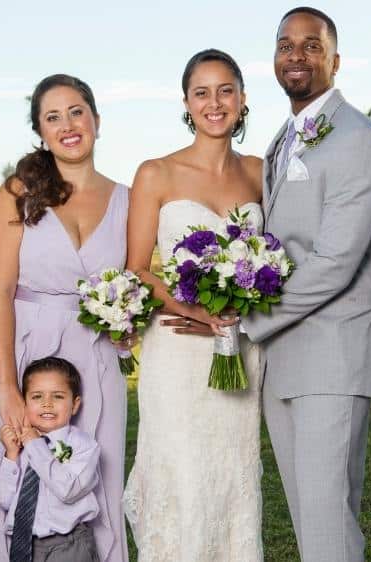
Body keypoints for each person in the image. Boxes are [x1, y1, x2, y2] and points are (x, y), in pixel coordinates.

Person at [240, 7, 371, 561]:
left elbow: (335, 262)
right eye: (286, 45)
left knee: (329, 520)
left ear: (335, 59)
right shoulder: (285, 135)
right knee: (309, 518)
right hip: (286, 359)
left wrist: (247, 319)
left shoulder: (357, 138)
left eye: (311, 45)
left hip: (332, 354)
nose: (296, 56)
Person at [0, 74, 130, 562]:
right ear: (41, 131)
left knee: (96, 482)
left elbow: (138, 280)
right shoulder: (20, 191)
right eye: (53, 117)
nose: (68, 125)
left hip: (95, 355)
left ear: (97, 120)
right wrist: (5, 385)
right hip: (21, 346)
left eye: (77, 111)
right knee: (10, 471)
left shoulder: (128, 197)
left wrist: (126, 323)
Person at [122, 48, 264, 561]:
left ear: (243, 100)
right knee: (181, 475)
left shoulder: (260, 173)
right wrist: (196, 311)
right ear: (186, 102)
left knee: (233, 476)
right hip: (179, 353)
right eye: (201, 92)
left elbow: (273, 263)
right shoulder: (155, 173)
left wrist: (238, 312)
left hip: (240, 349)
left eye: (225, 90)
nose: (214, 102)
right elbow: (137, 268)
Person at [0, 357, 101, 562]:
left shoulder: (83, 446)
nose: (47, 404)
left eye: (58, 396)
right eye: (36, 396)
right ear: (24, 403)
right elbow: (3, 499)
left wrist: (36, 446)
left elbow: (68, 490)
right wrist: (11, 456)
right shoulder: (20, 447)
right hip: (25, 544)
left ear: (75, 404)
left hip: (68, 545)